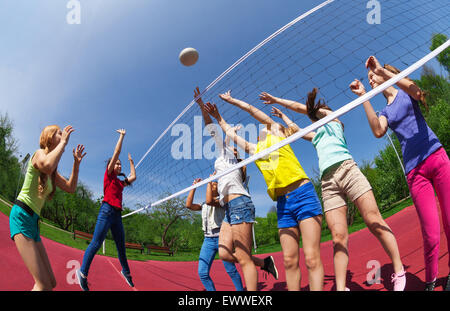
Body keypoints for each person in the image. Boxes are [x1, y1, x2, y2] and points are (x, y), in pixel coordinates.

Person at [260, 89, 406, 291]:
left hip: (348, 170)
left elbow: (306, 110)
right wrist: (283, 117)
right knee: (338, 237)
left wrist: (277, 98)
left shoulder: (334, 120)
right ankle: (340, 288)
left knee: (373, 219)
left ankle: (399, 270)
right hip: (328, 183)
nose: (315, 115)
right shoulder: (316, 135)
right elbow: (294, 129)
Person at [203, 90, 323, 291]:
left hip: (303, 193)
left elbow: (252, 110)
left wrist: (233, 100)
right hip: (283, 203)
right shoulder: (255, 150)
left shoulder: (278, 132)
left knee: (311, 258)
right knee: (289, 261)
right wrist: (218, 117)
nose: (261, 129)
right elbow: (229, 133)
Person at [350, 55, 450, 291]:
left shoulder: (405, 91)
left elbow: (416, 91)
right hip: (415, 172)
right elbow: (377, 131)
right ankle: (431, 280)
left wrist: (382, 71)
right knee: (431, 233)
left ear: (383, 72)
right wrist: (364, 95)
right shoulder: (384, 111)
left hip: (436, 157)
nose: (371, 79)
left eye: (372, 75)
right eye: (369, 77)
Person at [194, 87, 278, 291]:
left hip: (240, 204)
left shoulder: (231, 158)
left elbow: (211, 128)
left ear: (234, 153)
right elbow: (213, 128)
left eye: (232, 147)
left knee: (243, 258)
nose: (229, 146)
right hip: (230, 210)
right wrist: (201, 106)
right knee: (224, 253)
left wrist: (206, 112)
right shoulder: (224, 158)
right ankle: (264, 263)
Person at [10, 125, 86, 291]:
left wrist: (76, 164)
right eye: (60, 133)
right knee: (43, 285)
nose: (63, 134)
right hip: (22, 215)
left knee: (51, 283)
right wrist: (64, 143)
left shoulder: (52, 171)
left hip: (33, 223)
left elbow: (71, 188)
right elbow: (47, 165)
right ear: (50, 137)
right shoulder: (39, 154)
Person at [76, 129, 136, 291]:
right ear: (111, 165)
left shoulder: (119, 183)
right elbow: (116, 152)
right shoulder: (108, 175)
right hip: (106, 211)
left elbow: (133, 177)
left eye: (120, 164)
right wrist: (122, 136)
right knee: (96, 243)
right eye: (117, 163)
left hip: (117, 215)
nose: (119, 165)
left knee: (121, 247)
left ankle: (126, 271)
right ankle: (82, 273)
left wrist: (130, 162)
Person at [185, 177, 244, 291]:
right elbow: (188, 205)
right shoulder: (203, 205)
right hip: (208, 240)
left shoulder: (222, 201)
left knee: (230, 270)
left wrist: (208, 181)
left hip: (222, 238)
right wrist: (194, 187)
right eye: (210, 184)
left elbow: (210, 200)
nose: (211, 185)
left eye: (214, 184)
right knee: (202, 273)